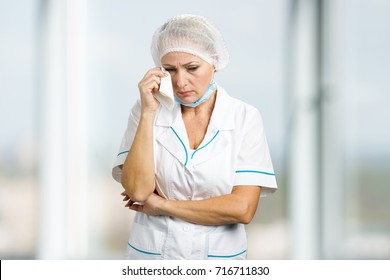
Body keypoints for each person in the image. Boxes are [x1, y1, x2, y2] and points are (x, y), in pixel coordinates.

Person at [112, 14, 277, 260]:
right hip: (152, 259)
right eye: (169, 70)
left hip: (220, 261)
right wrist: (148, 112)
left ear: (215, 62)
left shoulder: (245, 117)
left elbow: (242, 208)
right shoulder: (146, 110)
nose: (180, 81)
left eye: (192, 68)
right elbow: (138, 190)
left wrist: (162, 205)